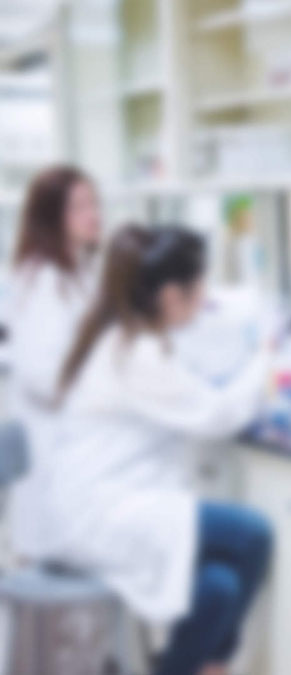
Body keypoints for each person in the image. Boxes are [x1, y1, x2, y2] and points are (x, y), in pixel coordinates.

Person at [44, 225, 273, 675]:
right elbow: (216, 415)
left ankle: (187, 666)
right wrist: (267, 357)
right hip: (104, 513)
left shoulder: (122, 337)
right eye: (199, 289)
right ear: (171, 296)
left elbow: (192, 393)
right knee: (252, 536)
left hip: (106, 504)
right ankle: (205, 666)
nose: (204, 298)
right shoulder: (135, 352)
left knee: (220, 587)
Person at [5, 164, 103, 560]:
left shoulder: (76, 274)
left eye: (94, 202)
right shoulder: (43, 281)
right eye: (79, 206)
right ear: (50, 218)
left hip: (76, 454)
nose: (94, 214)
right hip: (57, 458)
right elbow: (43, 377)